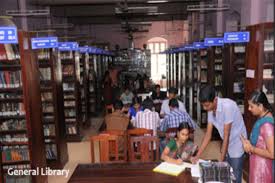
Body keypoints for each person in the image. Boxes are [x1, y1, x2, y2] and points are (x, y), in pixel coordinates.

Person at [191, 85, 247, 183]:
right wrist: (198, 155)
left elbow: (226, 136)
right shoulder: (210, 109)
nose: (205, 108)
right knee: (225, 175)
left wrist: (221, 161)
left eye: (207, 105)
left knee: (235, 175)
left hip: (237, 143)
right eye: (203, 105)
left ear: (215, 100)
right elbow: (208, 135)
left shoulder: (228, 106)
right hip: (226, 143)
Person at [240, 90, 274, 183]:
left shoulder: (267, 125)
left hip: (262, 170)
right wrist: (248, 143)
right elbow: (261, 142)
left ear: (261, 106)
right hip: (257, 164)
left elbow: (272, 153)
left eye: (252, 106)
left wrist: (251, 148)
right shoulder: (261, 117)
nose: (249, 109)